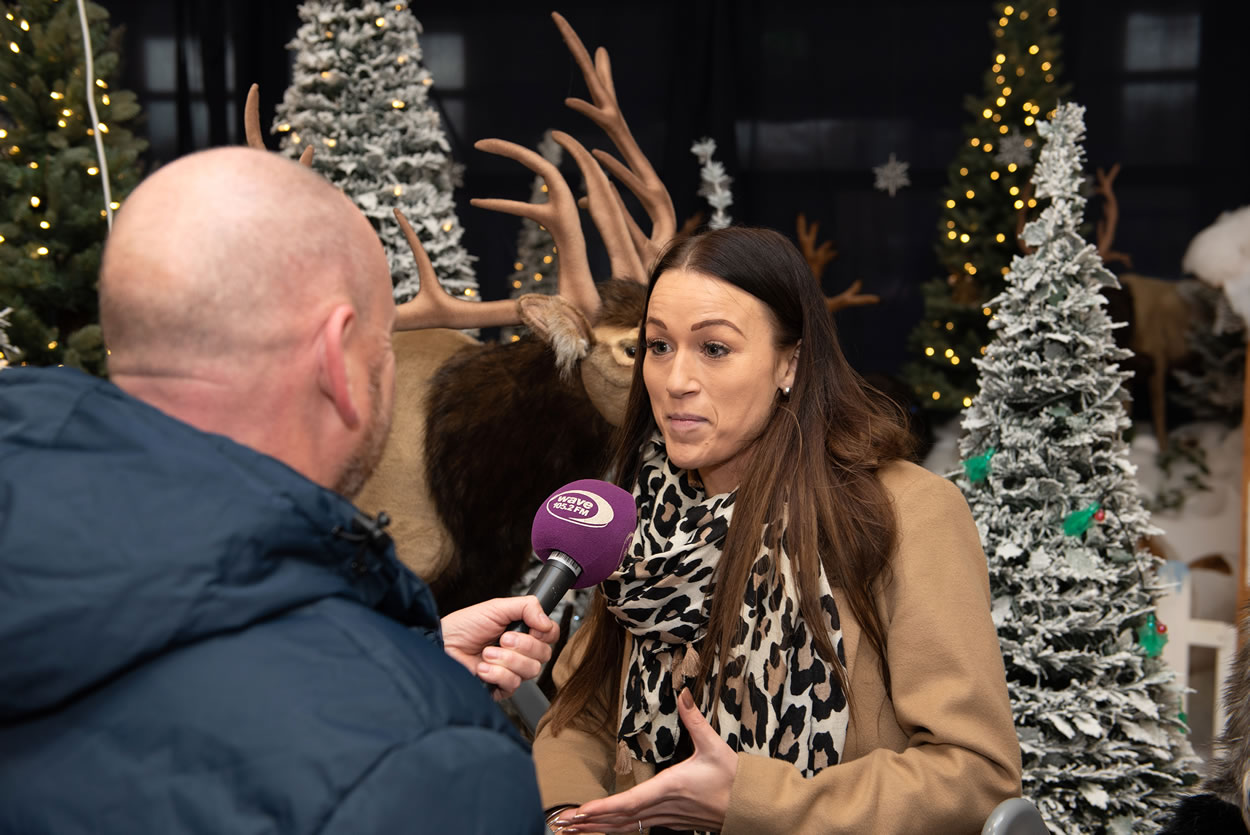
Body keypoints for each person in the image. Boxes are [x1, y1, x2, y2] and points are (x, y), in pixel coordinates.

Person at [0, 147, 559, 834]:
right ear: (337, 355)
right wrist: (392, 692)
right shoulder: (427, 762)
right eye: (384, 347)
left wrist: (401, 649)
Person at [533, 227, 1023, 834]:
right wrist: (575, 818)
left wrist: (752, 801)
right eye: (657, 346)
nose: (675, 379)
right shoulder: (638, 515)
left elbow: (975, 776)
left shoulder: (903, 512)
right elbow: (578, 717)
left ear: (790, 363)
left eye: (714, 349)